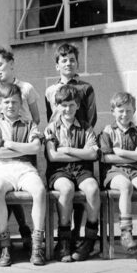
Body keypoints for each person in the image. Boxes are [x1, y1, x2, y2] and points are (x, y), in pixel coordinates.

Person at [0, 47, 38, 249]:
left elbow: (36, 117)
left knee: (21, 186)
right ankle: (21, 229)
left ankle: (25, 229)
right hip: (2, 144)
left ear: (11, 63)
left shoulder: (27, 88)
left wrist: (22, 141)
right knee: (5, 189)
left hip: (24, 142)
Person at [0, 84, 46, 267]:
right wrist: (23, 149)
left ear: (20, 103)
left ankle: (37, 244)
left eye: (14, 102)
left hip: (25, 167)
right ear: (0, 104)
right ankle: (5, 245)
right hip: (3, 169)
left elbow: (36, 148)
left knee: (39, 190)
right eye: (6, 102)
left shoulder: (29, 124)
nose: (10, 106)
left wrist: (8, 144)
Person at [45, 43, 98, 242]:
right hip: (60, 142)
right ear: (57, 65)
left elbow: (91, 118)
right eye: (64, 60)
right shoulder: (51, 90)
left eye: (72, 60)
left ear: (77, 63)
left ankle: (78, 232)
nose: (68, 63)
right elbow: (52, 118)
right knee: (67, 189)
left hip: (81, 139)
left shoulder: (85, 87)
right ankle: (67, 236)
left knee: (83, 191)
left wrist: (79, 142)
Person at [45, 85, 100, 262]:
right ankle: (64, 241)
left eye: (71, 104)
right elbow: (53, 156)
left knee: (92, 189)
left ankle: (90, 239)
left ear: (77, 105)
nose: (67, 109)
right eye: (64, 105)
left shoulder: (86, 127)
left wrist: (67, 149)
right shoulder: (51, 128)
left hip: (82, 170)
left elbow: (92, 154)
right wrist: (80, 152)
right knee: (66, 189)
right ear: (57, 106)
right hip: (59, 171)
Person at [99, 92, 137, 254]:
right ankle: (126, 232)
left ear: (133, 111)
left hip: (135, 170)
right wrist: (134, 155)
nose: (124, 114)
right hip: (114, 172)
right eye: (120, 111)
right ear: (113, 111)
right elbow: (105, 158)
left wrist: (120, 152)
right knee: (125, 186)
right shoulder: (107, 131)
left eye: (128, 110)